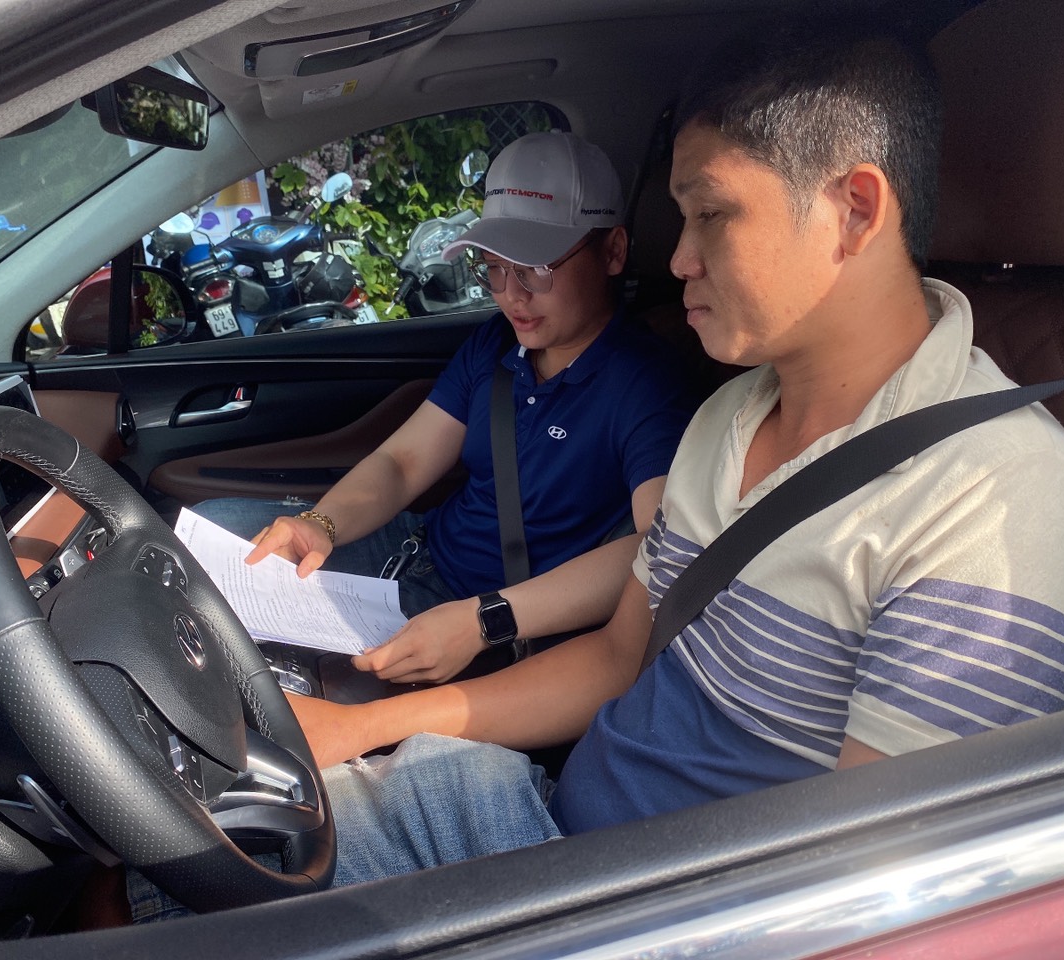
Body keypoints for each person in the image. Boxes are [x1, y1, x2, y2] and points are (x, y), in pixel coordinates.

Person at [130, 25, 1064, 918]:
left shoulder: (995, 501)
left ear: (852, 210)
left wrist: (479, 633)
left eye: (711, 214)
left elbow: (862, 904)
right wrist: (366, 728)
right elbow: (615, 662)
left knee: (198, 879)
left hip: (615, 903)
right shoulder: (731, 416)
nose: (676, 259)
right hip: (544, 813)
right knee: (179, 836)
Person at [198, 131, 694, 684]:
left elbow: (654, 549)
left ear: (614, 251)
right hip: (412, 549)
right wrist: (321, 524)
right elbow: (403, 462)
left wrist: (487, 620)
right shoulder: (495, 345)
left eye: (535, 268)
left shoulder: (647, 384)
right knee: (207, 536)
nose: (511, 295)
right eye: (494, 267)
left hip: (492, 617)